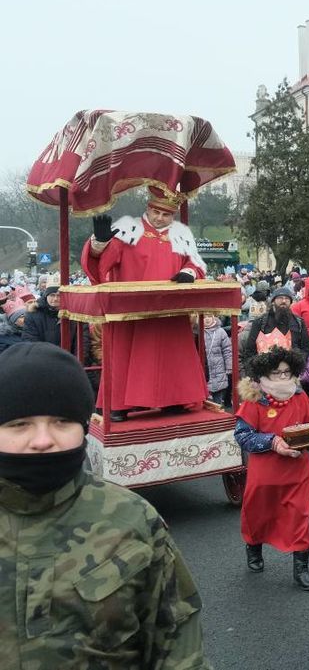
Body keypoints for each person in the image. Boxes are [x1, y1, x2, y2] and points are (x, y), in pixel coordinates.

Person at [0, 342, 207, 667]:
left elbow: (176, 642)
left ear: (83, 428)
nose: (42, 440)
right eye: (19, 424)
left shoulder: (133, 519)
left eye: (61, 422)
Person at [82, 187, 209, 421]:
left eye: (166, 214)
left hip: (170, 309)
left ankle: (175, 399)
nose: (160, 218)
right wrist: (99, 242)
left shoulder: (181, 235)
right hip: (132, 309)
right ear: (148, 209)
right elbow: (101, 262)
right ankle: (119, 404)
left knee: (171, 354)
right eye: (156, 212)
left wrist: (189, 272)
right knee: (126, 354)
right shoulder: (128, 229)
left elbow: (196, 263)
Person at [233, 347, 309, 589]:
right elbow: (242, 436)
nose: (283, 377)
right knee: (258, 514)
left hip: (297, 471)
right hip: (265, 474)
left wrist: (308, 439)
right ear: (264, 374)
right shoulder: (254, 400)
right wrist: (272, 442)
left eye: (287, 372)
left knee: (299, 516)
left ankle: (301, 569)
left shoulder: (300, 396)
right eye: (276, 373)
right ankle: (253, 548)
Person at [242, 286, 309, 361]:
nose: (284, 301)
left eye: (287, 298)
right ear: (273, 301)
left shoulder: (299, 322)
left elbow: (306, 347)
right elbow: (250, 349)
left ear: (291, 302)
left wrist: (299, 361)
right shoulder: (260, 322)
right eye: (280, 298)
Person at [202, 314, 234, 409]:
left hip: (219, 367)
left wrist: (229, 366)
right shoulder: (198, 332)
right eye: (204, 317)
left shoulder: (221, 332)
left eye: (209, 316)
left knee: (218, 397)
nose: (207, 319)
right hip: (204, 368)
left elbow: (227, 350)